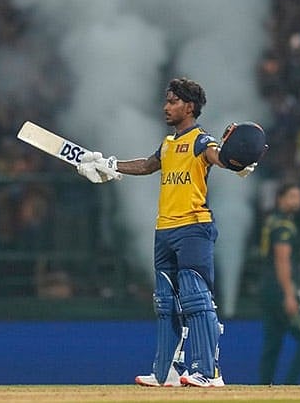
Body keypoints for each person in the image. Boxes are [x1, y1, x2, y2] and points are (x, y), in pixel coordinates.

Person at [75, 77, 259, 388]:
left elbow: (217, 156)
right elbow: (148, 165)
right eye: (166, 100)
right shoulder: (168, 144)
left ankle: (209, 372)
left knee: (196, 298)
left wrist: (234, 163)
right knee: (165, 301)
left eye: (173, 101)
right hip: (165, 228)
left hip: (193, 227)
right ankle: (167, 372)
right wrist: (110, 165)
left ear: (189, 106)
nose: (166, 106)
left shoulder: (202, 140)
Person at [258, 181, 300, 384]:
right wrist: (290, 294)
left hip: (267, 288)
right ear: (280, 199)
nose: (296, 201)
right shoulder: (284, 225)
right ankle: (290, 387)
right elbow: (282, 259)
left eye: (298, 197)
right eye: (291, 196)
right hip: (280, 289)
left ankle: (264, 388)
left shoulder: (272, 221)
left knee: (272, 344)